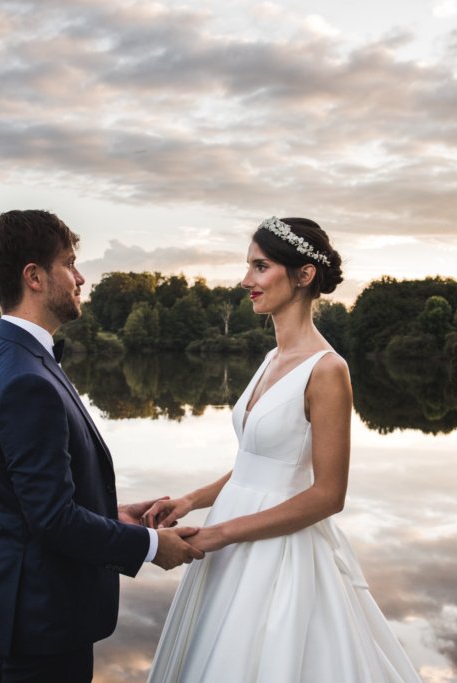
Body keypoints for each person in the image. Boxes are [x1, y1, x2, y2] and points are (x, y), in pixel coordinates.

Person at [142, 217, 422, 682]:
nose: (246, 281)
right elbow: (258, 464)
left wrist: (219, 534)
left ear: (304, 275)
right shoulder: (271, 358)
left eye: (260, 266)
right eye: (248, 267)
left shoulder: (328, 370)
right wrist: (191, 500)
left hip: (276, 550)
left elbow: (329, 495)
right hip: (229, 538)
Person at [0, 209, 203, 683]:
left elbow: (31, 502)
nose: (80, 278)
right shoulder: (26, 378)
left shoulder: (1, 353)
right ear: (34, 276)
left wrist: (111, 513)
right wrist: (153, 546)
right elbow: (53, 520)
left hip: (27, 612)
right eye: (69, 264)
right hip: (42, 621)